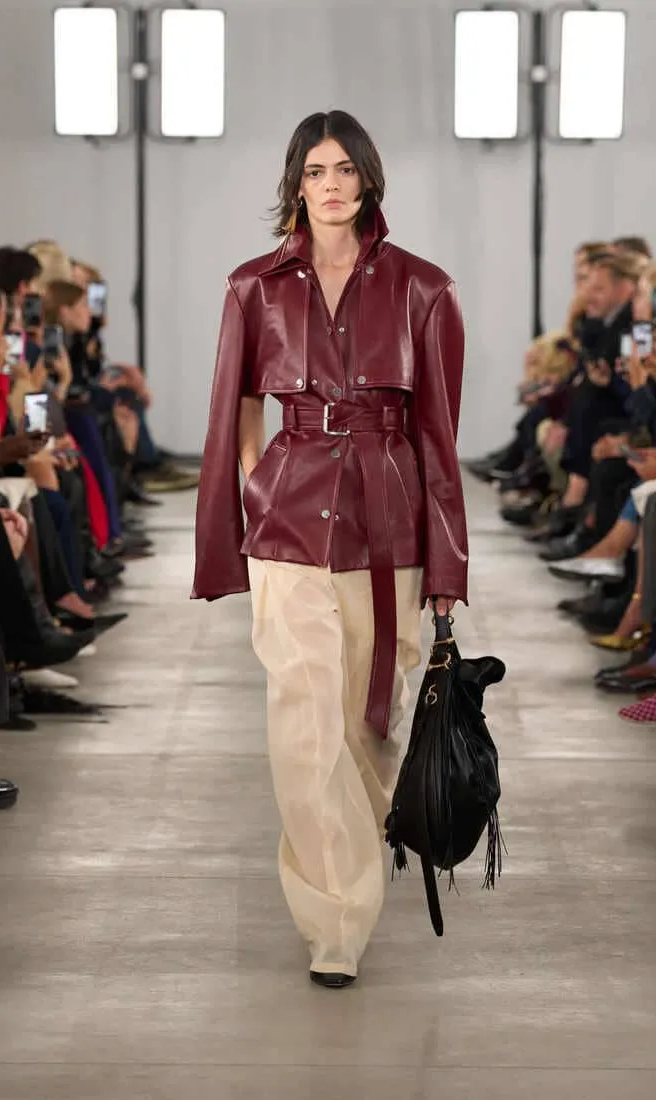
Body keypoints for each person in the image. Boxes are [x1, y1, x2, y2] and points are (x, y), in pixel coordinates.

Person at [193, 110, 468, 989]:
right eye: (315, 171)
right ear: (297, 184)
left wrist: (449, 564)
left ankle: (350, 859)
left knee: (367, 729)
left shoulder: (424, 289)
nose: (332, 185)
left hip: (390, 531)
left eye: (345, 168)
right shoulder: (255, 286)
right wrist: (256, 485)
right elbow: (236, 403)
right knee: (304, 723)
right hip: (288, 522)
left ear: (368, 178)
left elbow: (439, 436)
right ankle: (335, 919)